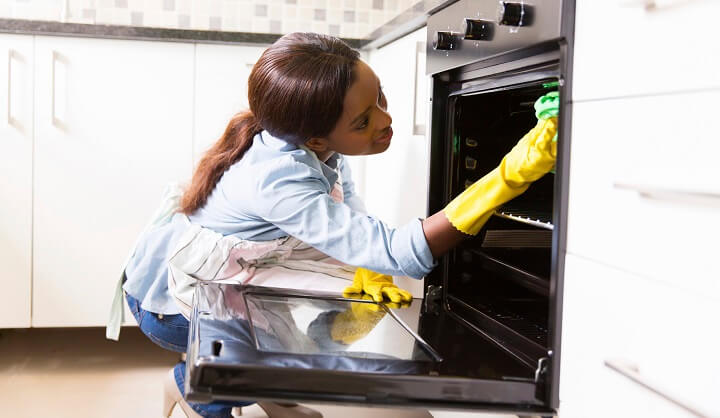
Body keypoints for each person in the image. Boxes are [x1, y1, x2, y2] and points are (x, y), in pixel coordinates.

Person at [109, 32, 557, 418]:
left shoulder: (313, 142)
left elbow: (352, 211)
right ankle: (192, 392)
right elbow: (400, 251)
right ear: (315, 137)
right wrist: (508, 177)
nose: (386, 121)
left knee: (306, 310)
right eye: (364, 121)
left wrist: (365, 260)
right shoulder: (277, 178)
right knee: (242, 341)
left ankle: (267, 395)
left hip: (232, 272)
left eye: (379, 97)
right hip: (170, 305)